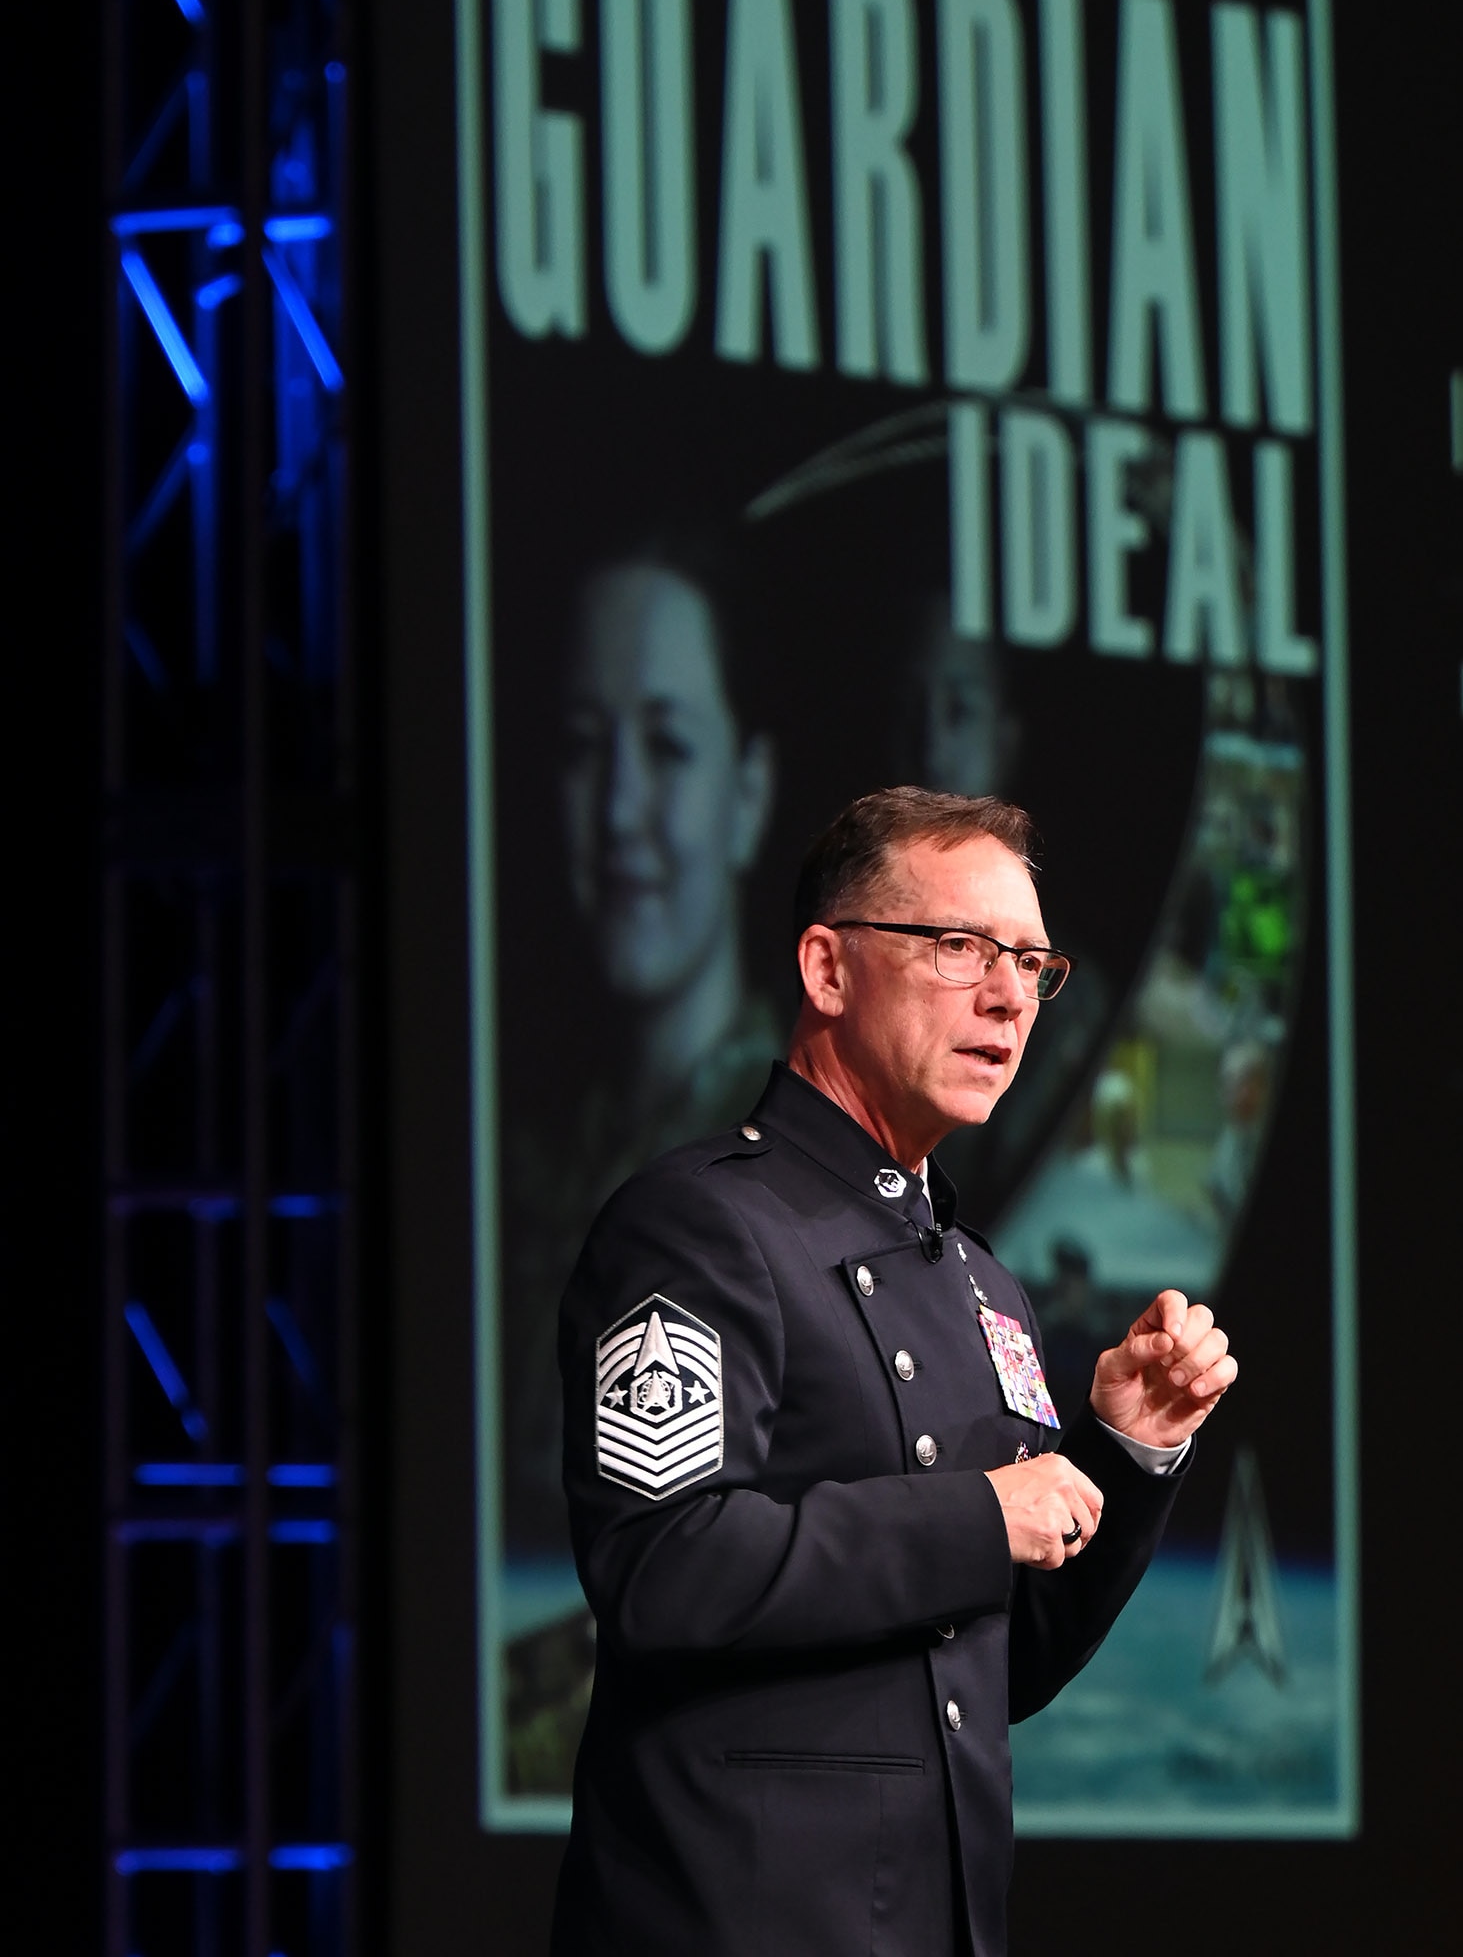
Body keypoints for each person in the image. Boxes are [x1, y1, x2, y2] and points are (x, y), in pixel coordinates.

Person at [551, 787, 1238, 1956]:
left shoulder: (981, 1284)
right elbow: (664, 1567)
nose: (1009, 993)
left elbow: (999, 1659)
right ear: (826, 967)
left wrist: (1123, 1450)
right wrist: (976, 1512)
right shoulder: (698, 1225)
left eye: (1030, 960)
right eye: (959, 947)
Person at [504, 550, 780, 1785]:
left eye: (666, 747)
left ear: (749, 792)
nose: (617, 809)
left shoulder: (825, 1174)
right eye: (580, 746)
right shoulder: (516, 1168)